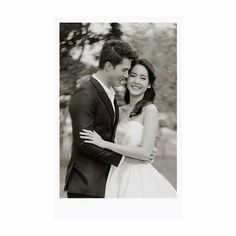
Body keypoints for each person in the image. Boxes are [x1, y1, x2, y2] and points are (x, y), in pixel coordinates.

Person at [80, 58, 177, 197]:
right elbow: (98, 143)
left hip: (137, 177)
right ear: (127, 78)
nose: (136, 81)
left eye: (143, 78)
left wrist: (105, 144)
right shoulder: (116, 111)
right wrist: (130, 153)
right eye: (133, 75)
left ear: (149, 84)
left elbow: (144, 153)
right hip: (114, 174)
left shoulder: (150, 110)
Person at [64, 39, 138, 198]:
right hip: (85, 185)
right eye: (124, 70)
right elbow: (84, 143)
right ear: (109, 66)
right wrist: (123, 159)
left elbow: (108, 134)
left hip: (105, 182)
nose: (126, 76)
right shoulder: (85, 93)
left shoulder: (110, 94)